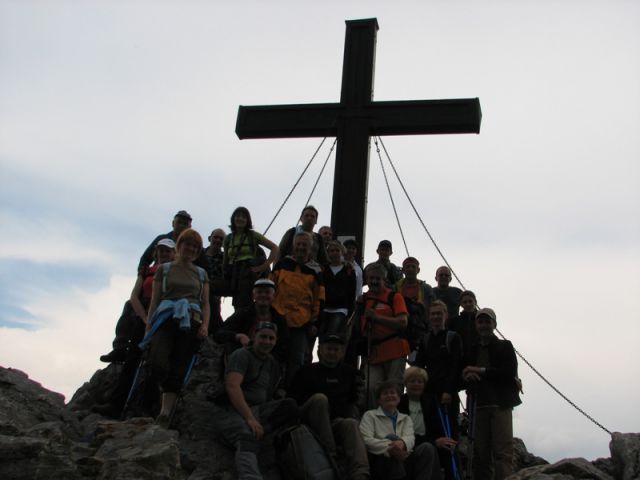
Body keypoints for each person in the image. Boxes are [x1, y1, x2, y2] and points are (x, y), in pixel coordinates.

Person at [93, 238, 176, 417]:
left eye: (167, 251)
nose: (163, 254)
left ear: (173, 254)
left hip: (163, 315)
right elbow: (134, 296)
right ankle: (117, 404)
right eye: (161, 250)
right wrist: (145, 318)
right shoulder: (147, 271)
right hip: (143, 314)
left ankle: (146, 406)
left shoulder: (175, 272)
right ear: (156, 252)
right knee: (132, 359)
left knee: (155, 362)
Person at [141, 228, 210, 428]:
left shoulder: (201, 273)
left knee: (180, 364)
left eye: (195, 246)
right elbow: (155, 300)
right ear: (179, 245)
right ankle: (158, 399)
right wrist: (149, 325)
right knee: (157, 361)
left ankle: (165, 412)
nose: (190, 248)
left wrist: (205, 325)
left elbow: (205, 303)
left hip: (191, 319)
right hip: (166, 317)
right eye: (187, 244)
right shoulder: (165, 269)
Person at [211, 321, 299, 480]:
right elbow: (232, 386)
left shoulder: (272, 363)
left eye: (271, 338)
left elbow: (269, 395)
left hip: (258, 410)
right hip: (231, 410)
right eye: (263, 337)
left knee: (290, 407)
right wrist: (250, 419)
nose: (267, 341)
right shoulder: (242, 355)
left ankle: (259, 436)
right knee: (247, 436)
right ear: (254, 336)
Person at [290, 333, 369, 480]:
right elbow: (293, 401)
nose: (332, 352)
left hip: (334, 422)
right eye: (329, 349)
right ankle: (331, 456)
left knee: (350, 423)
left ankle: (361, 474)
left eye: (336, 349)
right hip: (308, 423)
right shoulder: (305, 371)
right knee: (320, 399)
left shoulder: (349, 373)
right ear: (320, 350)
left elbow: (353, 401)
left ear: (342, 352)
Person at [462, 308, 521, 480]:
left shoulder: (505, 346)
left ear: (494, 324)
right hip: (478, 405)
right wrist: (467, 374)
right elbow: (464, 369)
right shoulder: (471, 348)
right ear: (476, 325)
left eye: (487, 322)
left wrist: (479, 370)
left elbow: (508, 373)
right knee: (481, 453)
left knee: (502, 452)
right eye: (480, 322)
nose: (484, 325)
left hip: (500, 404)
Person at [270, 231, 325, 387]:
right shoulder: (282, 264)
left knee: (297, 360)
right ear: (294, 246)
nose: (301, 248)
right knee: (273, 357)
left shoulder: (315, 271)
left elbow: (318, 298)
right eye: (299, 244)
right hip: (278, 318)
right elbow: (270, 287)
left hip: (301, 323)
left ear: (311, 248)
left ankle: (291, 392)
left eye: (305, 245)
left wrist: (315, 322)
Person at [360, 380, 442, 480]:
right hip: (381, 461)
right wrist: (390, 447)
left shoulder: (406, 418)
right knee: (392, 438)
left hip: (404, 459)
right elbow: (365, 439)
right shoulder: (370, 415)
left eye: (392, 393)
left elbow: (410, 438)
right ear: (379, 400)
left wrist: (402, 443)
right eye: (385, 393)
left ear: (398, 399)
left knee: (427, 448)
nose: (389, 395)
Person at [358, 263, 409, 408]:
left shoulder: (395, 297)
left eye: (377, 279)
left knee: (393, 390)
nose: (373, 282)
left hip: (395, 351)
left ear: (384, 280)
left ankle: (393, 422)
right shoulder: (363, 300)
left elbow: (403, 322)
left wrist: (377, 318)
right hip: (373, 353)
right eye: (371, 278)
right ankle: (375, 420)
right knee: (370, 388)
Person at [410, 300, 463, 440]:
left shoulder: (453, 338)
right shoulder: (425, 339)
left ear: (446, 315)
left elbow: (456, 365)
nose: (436, 317)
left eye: (439, 313)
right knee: (431, 430)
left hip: (447, 393)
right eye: (433, 314)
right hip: (429, 392)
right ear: (429, 316)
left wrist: (449, 390)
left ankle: (453, 461)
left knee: (450, 431)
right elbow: (419, 365)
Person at [398, 367, 458, 480]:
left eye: (419, 382)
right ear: (406, 384)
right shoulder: (400, 403)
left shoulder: (431, 402)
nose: (416, 384)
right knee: (428, 447)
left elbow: (437, 428)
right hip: (407, 448)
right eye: (412, 381)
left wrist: (445, 441)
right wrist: (434, 442)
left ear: (424, 385)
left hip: (429, 444)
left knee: (448, 447)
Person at [215, 278, 289, 366]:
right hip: (241, 360)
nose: (263, 295)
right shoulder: (243, 314)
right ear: (253, 296)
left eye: (267, 292)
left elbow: (284, 346)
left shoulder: (279, 320)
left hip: (267, 363)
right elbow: (220, 333)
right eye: (259, 292)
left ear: (274, 296)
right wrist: (238, 336)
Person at [223, 206, 279, 310]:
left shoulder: (253, 235)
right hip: (234, 273)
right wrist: (225, 274)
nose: (240, 219)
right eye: (238, 216)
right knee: (237, 302)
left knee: (243, 304)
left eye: (243, 217)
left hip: (247, 273)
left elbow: (275, 248)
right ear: (233, 219)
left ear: (247, 220)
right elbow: (225, 260)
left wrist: (263, 267)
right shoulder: (228, 238)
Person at [394, 257, 434, 351]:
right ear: (403, 270)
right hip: (400, 330)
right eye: (408, 267)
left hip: (420, 330)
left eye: (413, 267)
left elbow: (432, 309)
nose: (410, 269)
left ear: (418, 270)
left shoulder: (426, 288)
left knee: (418, 361)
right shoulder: (395, 288)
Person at [321, 240, 356, 338]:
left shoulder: (349, 270)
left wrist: (350, 313)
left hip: (341, 309)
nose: (334, 253)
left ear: (342, 252)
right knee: (322, 338)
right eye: (331, 251)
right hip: (325, 308)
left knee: (332, 336)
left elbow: (351, 292)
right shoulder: (323, 269)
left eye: (337, 250)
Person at [204, 228, 226, 334]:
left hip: (214, 296)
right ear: (209, 238)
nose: (218, 240)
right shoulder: (199, 254)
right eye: (215, 237)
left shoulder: (225, 258)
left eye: (221, 239)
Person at [447, 290, 479, 356]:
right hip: (459, 357)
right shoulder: (454, 321)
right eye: (465, 302)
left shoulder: (481, 321)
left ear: (475, 302)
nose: (468, 304)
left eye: (470, 301)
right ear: (461, 304)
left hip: (477, 356)